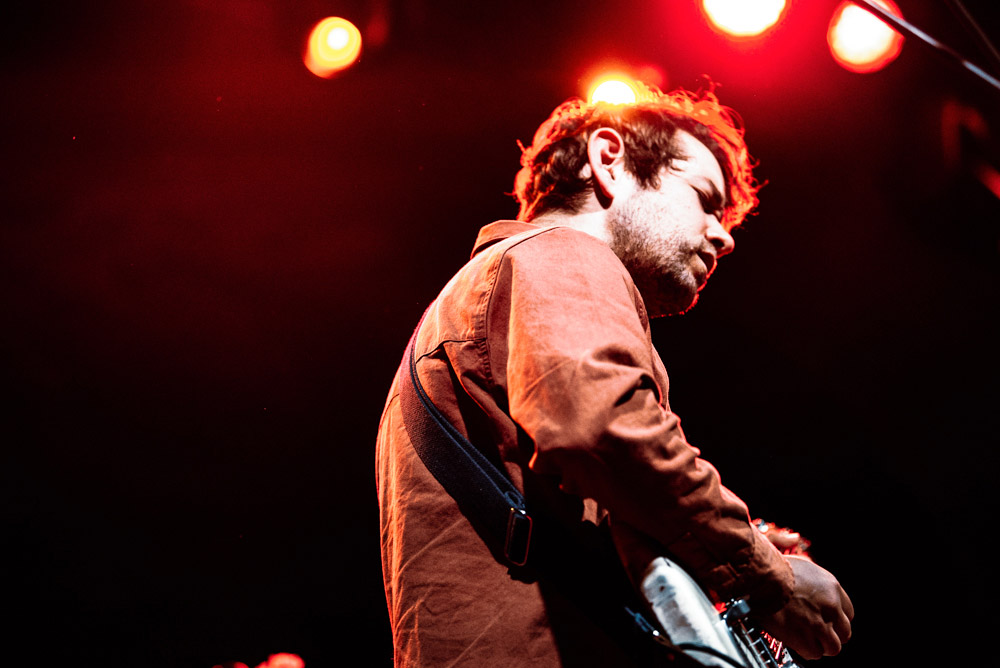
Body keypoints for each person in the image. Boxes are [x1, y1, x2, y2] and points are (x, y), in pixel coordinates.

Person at [376, 83, 853, 666]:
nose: (724, 237)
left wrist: (711, 555)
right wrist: (765, 576)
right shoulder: (562, 254)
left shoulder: (492, 295)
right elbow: (600, 424)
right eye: (705, 199)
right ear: (609, 159)